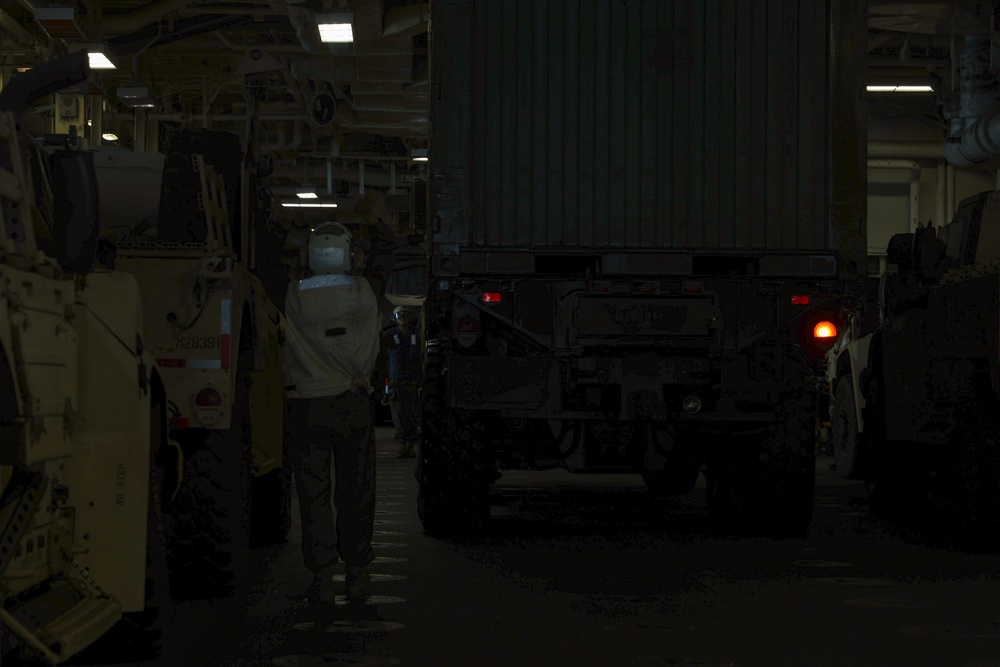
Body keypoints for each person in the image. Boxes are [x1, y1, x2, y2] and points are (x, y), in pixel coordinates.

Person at [282, 212, 394, 603]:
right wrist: (376, 219)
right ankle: (358, 574)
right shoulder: (365, 292)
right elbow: (385, 259)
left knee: (314, 495)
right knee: (356, 490)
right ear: (350, 255)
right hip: (352, 403)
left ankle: (322, 578)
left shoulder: (293, 294)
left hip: (306, 405)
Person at [382, 305, 421, 458]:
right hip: (396, 382)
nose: (403, 317)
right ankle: (402, 445)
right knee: (398, 416)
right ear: (394, 318)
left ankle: (410, 445)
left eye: (405, 314)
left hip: (413, 381)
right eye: (399, 315)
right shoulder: (389, 334)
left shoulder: (417, 333)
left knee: (412, 414)